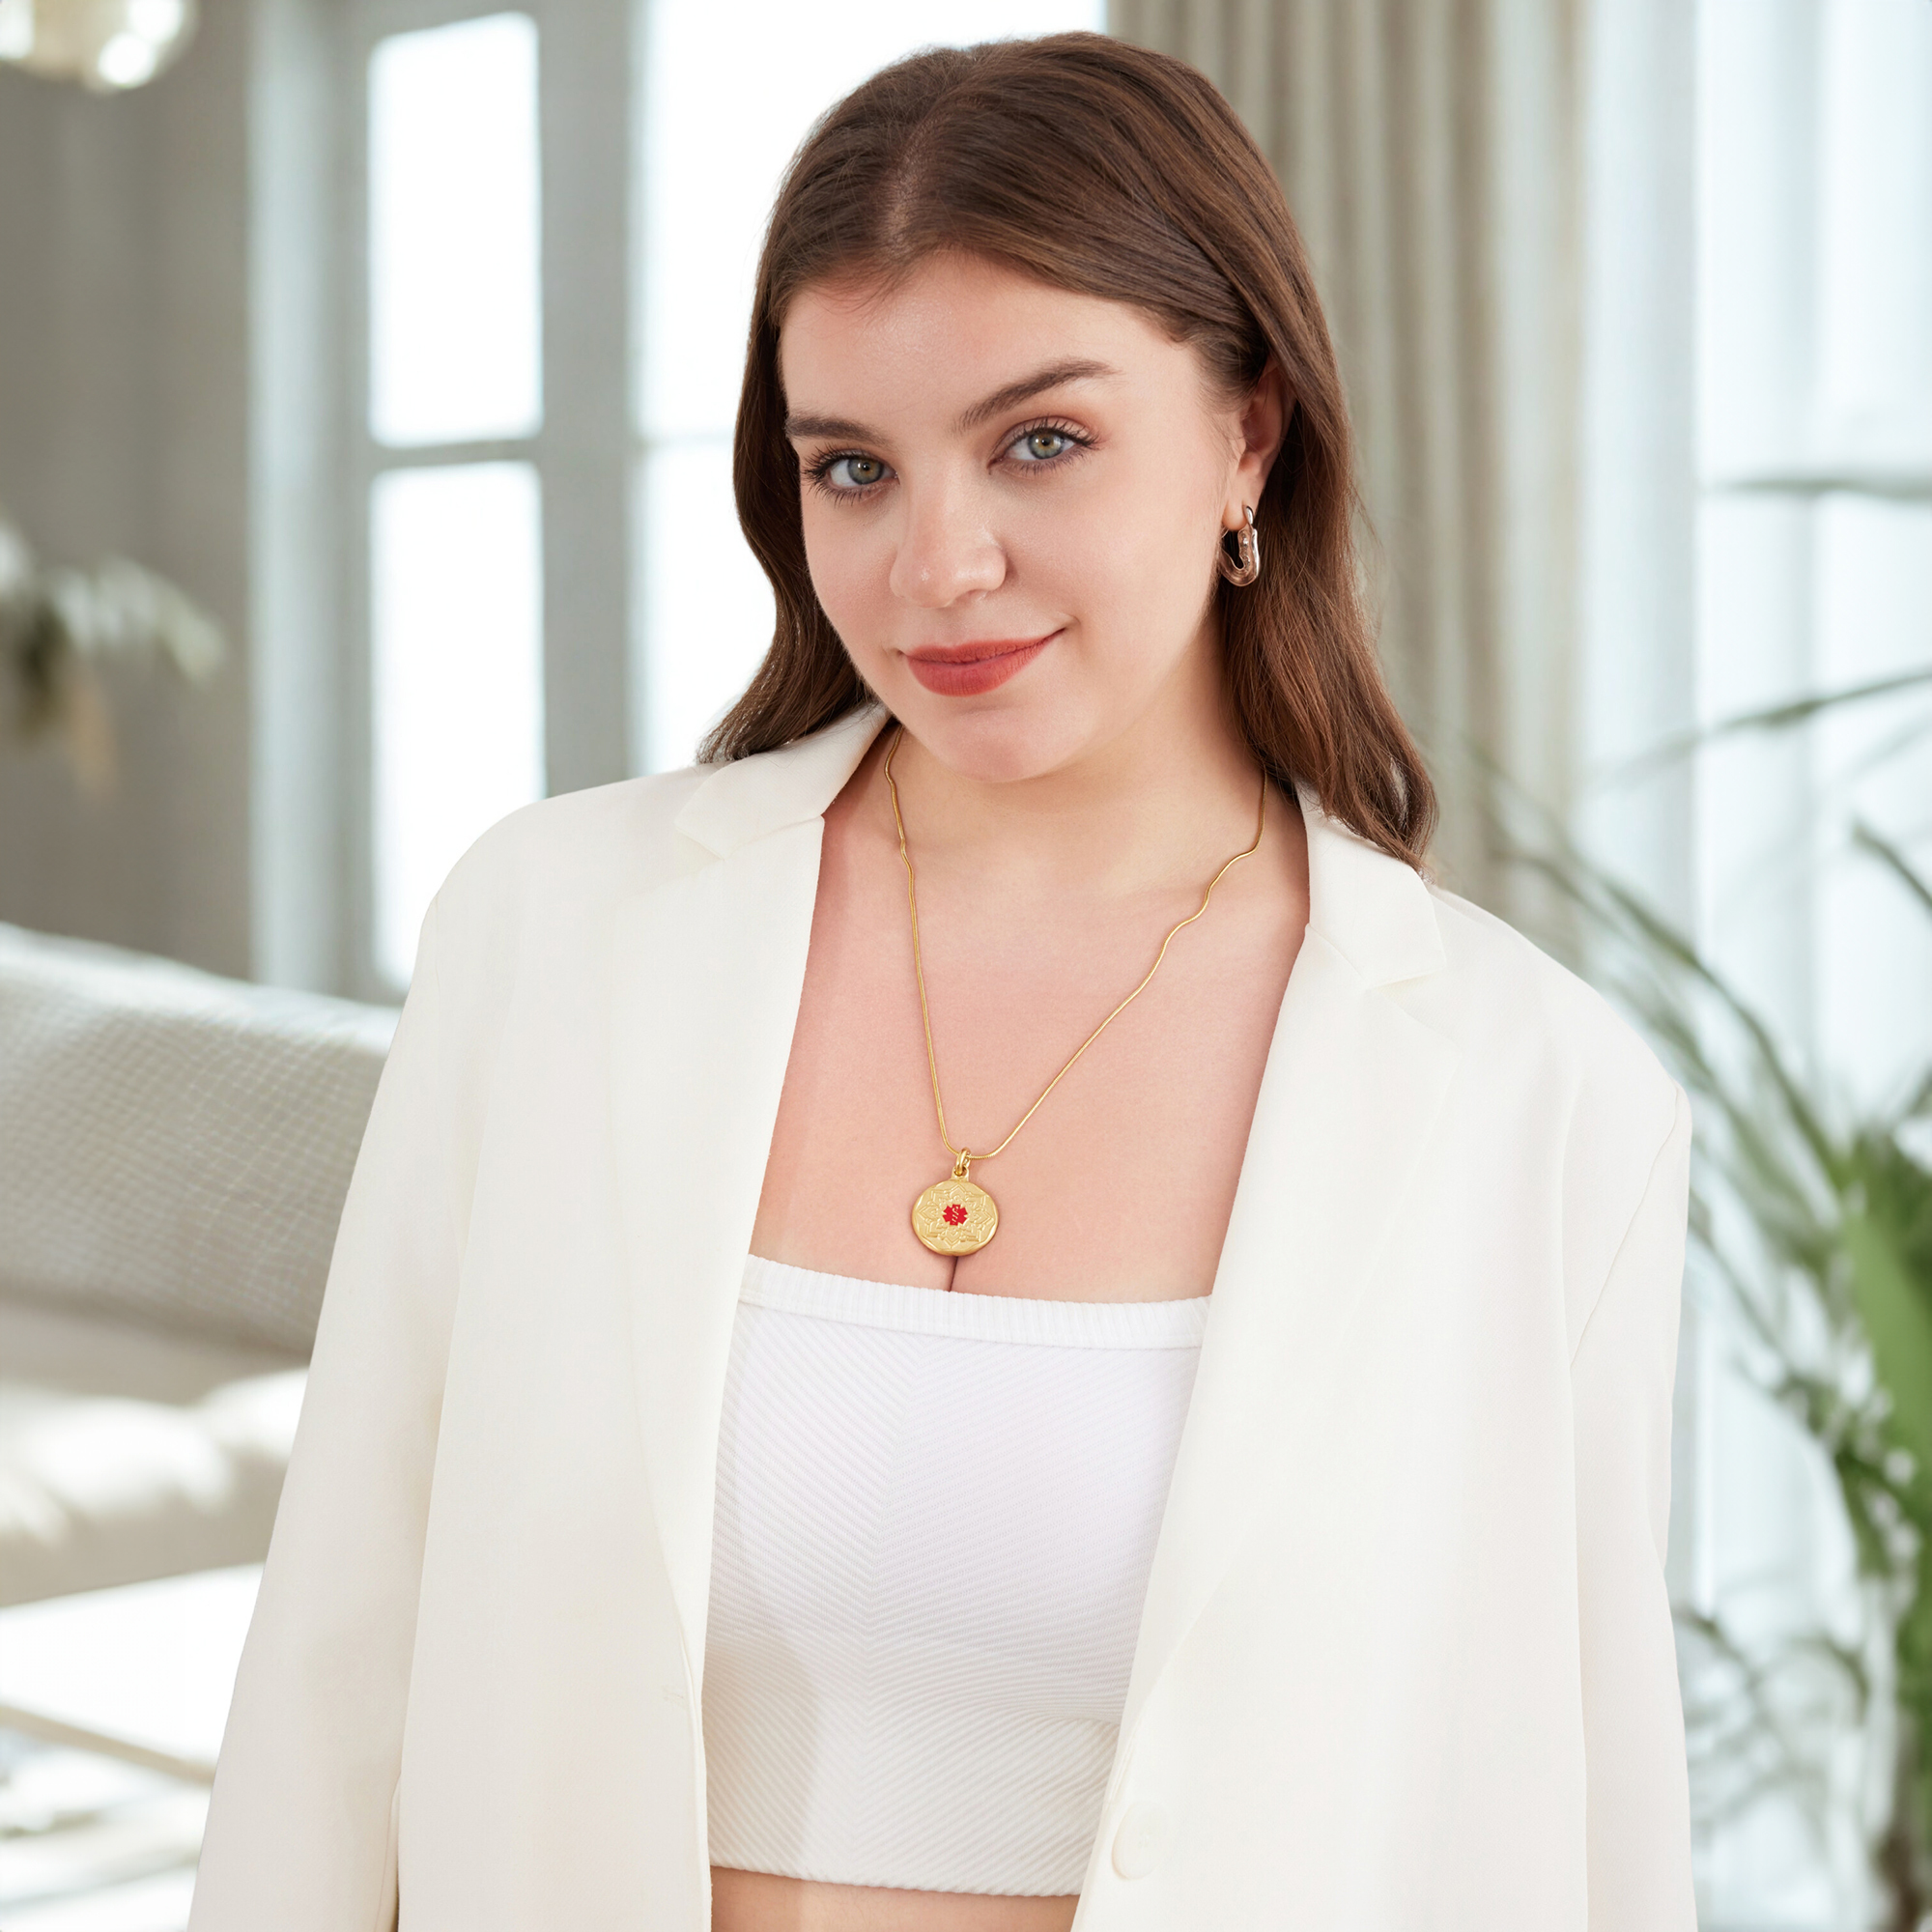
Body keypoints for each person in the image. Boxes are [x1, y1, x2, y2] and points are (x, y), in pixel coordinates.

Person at [188, 32, 1696, 1932]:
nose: (937, 565)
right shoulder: (553, 936)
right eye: (852, 468)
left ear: (1250, 436)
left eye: (1039, 441)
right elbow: (336, 1673)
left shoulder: (1527, 1091)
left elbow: (1574, 1818)